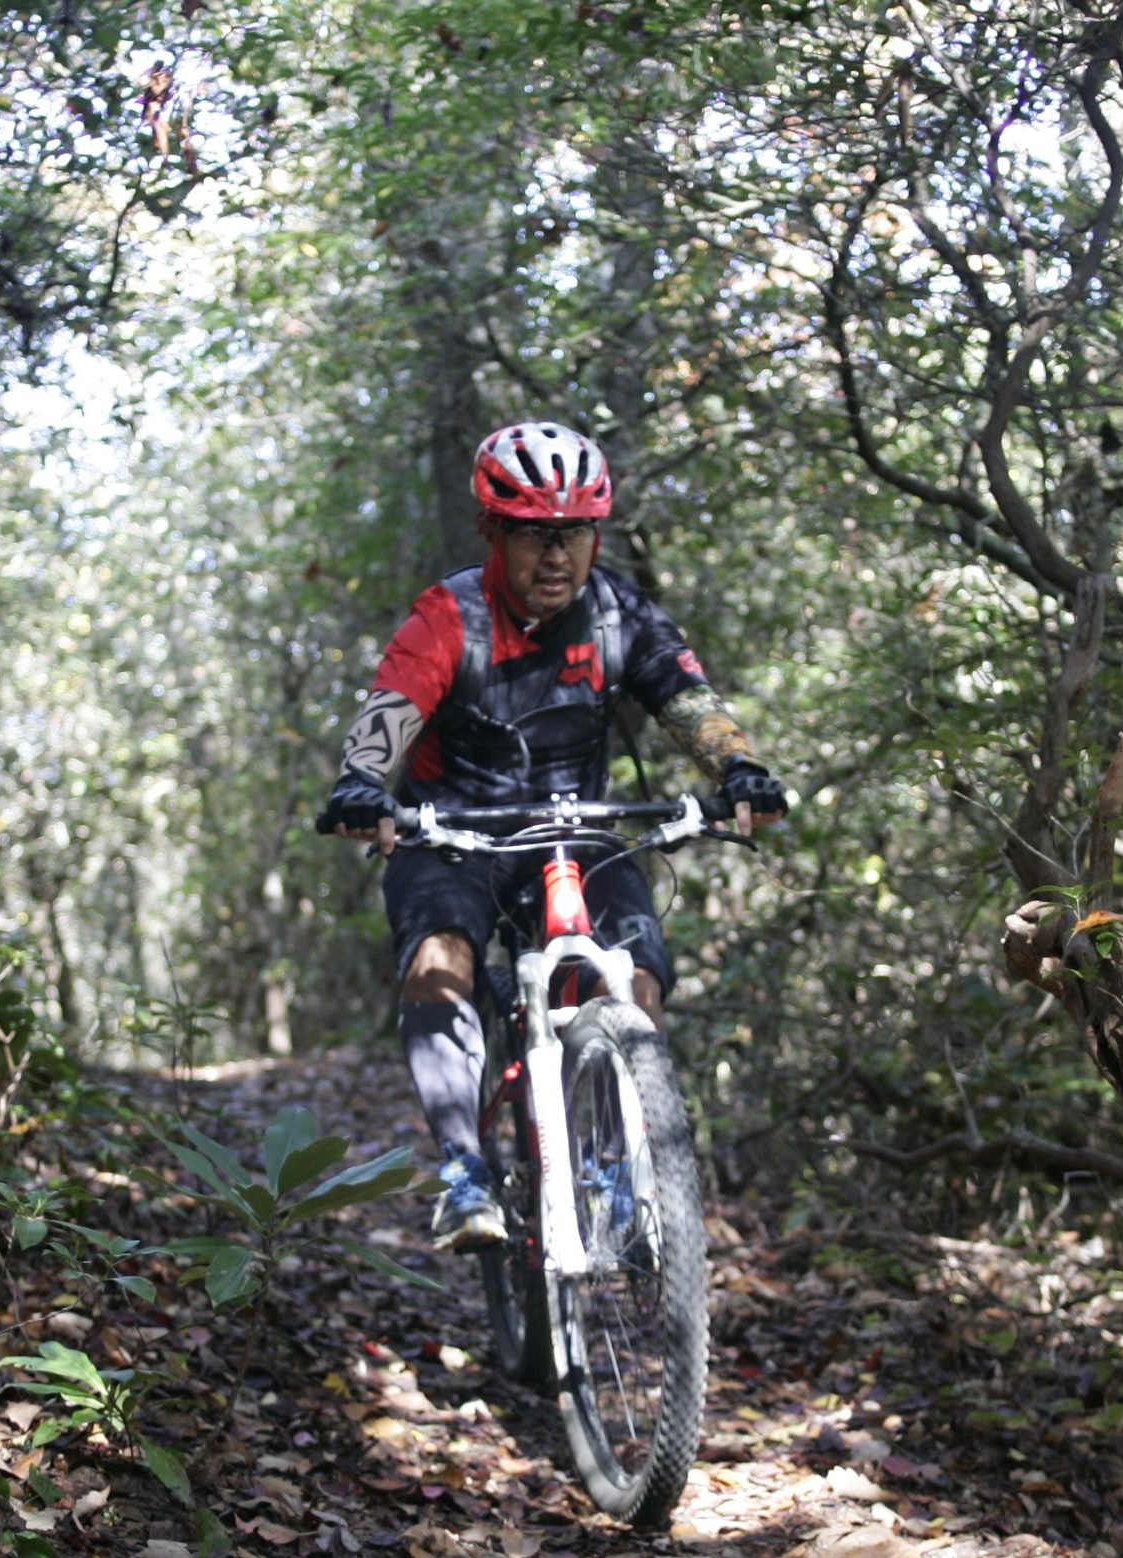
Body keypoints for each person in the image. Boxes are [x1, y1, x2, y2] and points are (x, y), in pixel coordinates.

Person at [314, 420, 789, 1250]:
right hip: (453, 830)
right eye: (534, 535)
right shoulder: (449, 615)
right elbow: (389, 713)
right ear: (494, 532)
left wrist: (739, 770)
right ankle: (464, 1171)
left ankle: (612, 1163)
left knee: (636, 982)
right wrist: (362, 780)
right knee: (438, 966)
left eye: (574, 533)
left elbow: (688, 702)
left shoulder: (617, 612)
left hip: (581, 830)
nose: (557, 556)